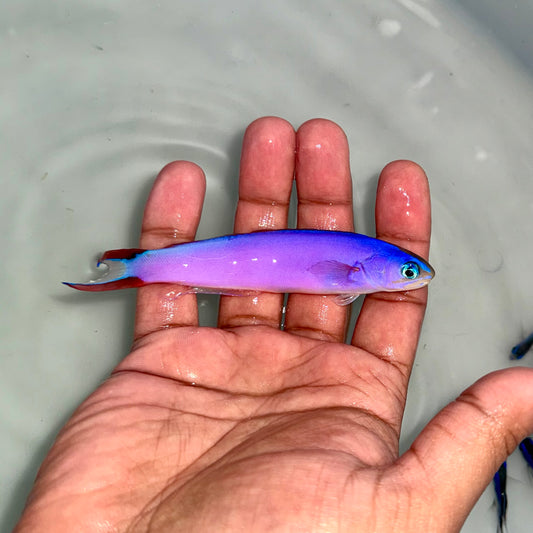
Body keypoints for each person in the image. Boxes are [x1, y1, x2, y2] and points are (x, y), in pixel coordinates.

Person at [14, 117, 533, 532]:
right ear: (370, 270)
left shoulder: (362, 272)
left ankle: (134, 267)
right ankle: (137, 266)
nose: (412, 279)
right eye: (406, 272)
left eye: (409, 273)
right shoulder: (358, 268)